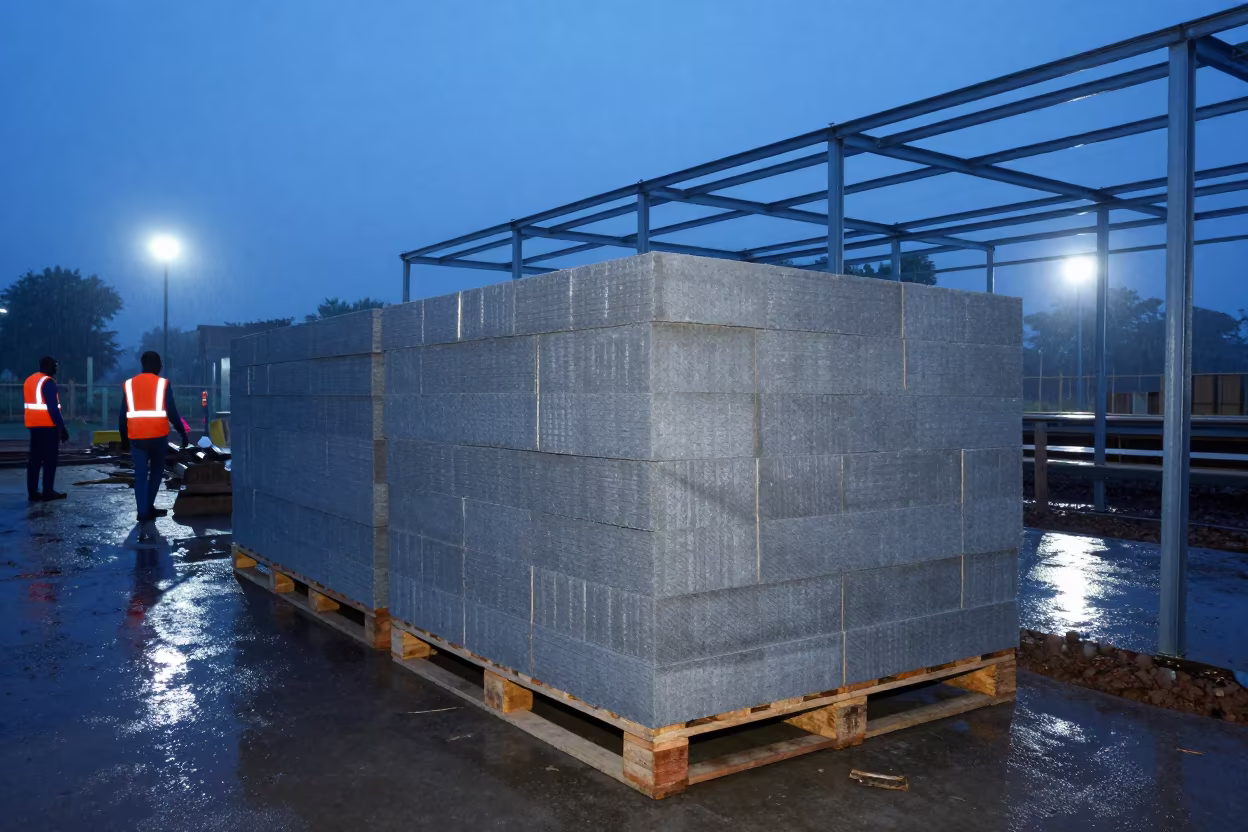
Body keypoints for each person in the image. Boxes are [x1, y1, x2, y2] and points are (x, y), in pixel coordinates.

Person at [119, 351, 189, 523]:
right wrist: (182, 432)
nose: (161, 367)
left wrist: (123, 439)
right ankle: (148, 506)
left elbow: (123, 415)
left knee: (140, 475)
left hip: (137, 438)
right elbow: (172, 412)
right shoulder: (163, 384)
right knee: (156, 472)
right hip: (158, 437)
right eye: (160, 363)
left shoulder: (129, 384)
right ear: (156, 364)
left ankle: (143, 512)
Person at [23, 356, 70, 501]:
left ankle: (32, 492)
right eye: (54, 366)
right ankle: (48, 492)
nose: (55, 369)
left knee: (35, 460)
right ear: (47, 366)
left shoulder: (29, 380)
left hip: (34, 426)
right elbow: (53, 409)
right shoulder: (48, 382)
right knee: (50, 460)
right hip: (48, 426)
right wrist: (62, 428)